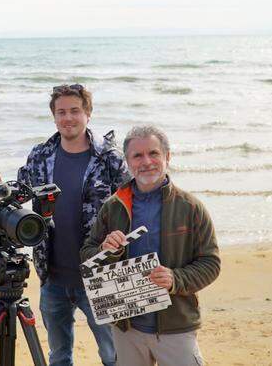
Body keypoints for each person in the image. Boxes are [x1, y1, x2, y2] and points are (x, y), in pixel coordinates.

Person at [81, 125, 221, 366]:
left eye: (153, 153)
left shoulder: (190, 207)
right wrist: (104, 250)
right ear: (127, 162)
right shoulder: (113, 207)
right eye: (137, 155)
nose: (146, 161)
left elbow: (211, 263)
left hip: (176, 324)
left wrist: (176, 279)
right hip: (126, 326)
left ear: (167, 157)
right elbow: (87, 256)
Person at [17, 84, 129, 366]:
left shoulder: (110, 158)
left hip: (100, 276)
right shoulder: (40, 156)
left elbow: (135, 204)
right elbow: (20, 193)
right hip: (52, 277)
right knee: (59, 357)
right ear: (54, 117)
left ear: (88, 113)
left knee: (113, 355)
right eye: (61, 112)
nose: (68, 118)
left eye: (75, 111)